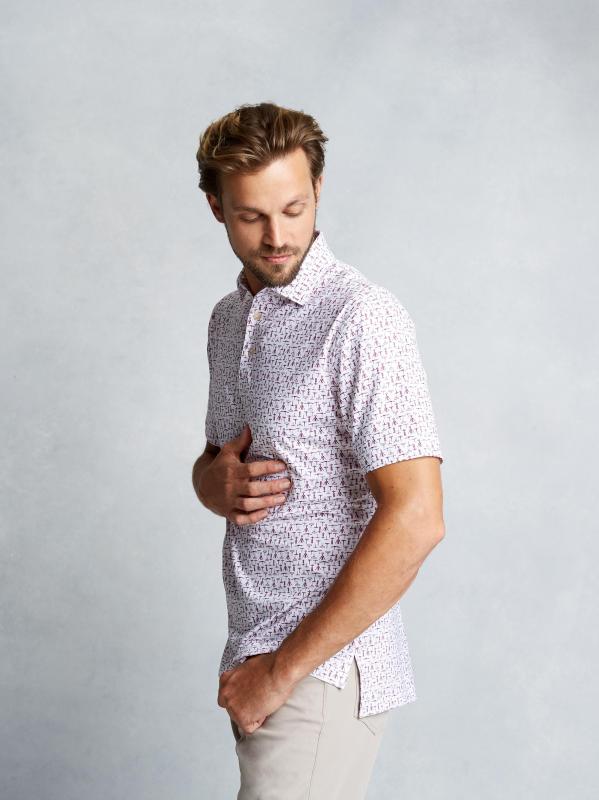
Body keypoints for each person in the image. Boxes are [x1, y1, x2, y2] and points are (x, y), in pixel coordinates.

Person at [191, 101, 446, 800]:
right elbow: (217, 460)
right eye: (251, 216)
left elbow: (417, 518)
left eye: (293, 209)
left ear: (318, 190)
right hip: (257, 652)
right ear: (216, 208)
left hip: (319, 668)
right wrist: (210, 484)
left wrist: (280, 674)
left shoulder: (362, 317)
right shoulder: (229, 318)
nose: (277, 237)